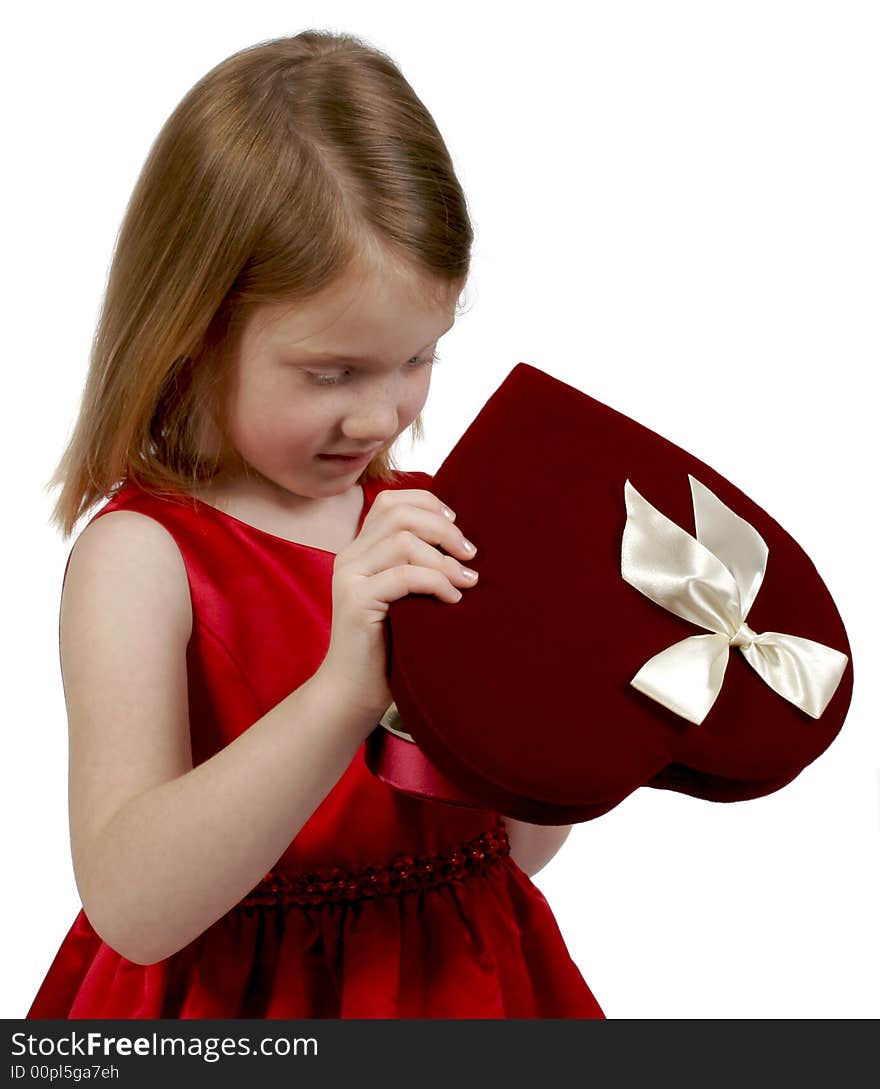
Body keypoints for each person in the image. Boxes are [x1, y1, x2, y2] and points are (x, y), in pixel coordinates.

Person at [26, 29, 605, 1019]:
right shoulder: (144, 560)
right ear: (191, 329)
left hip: (465, 993)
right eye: (331, 373)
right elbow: (133, 908)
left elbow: (509, 855)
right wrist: (343, 692)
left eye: (418, 358)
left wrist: (571, 721)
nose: (383, 415)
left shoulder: (428, 526)